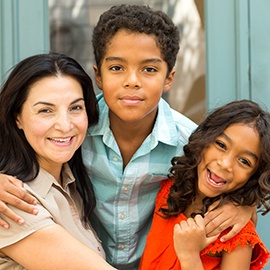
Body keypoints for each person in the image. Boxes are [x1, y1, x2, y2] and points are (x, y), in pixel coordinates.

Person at [0, 5, 256, 269]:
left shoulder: (190, 144)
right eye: (117, 67)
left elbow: (230, 182)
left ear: (169, 78)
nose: (132, 81)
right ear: (98, 75)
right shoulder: (74, 131)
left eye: (149, 70)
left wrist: (243, 206)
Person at [0, 53, 116, 270]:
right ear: (18, 118)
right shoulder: (12, 198)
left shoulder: (71, 183)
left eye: (75, 108)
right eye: (45, 110)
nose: (64, 125)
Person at [139, 100, 270, 270]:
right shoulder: (172, 189)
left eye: (244, 161)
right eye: (221, 145)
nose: (225, 164)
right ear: (204, 139)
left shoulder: (235, 234)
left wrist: (190, 256)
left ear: (254, 175)